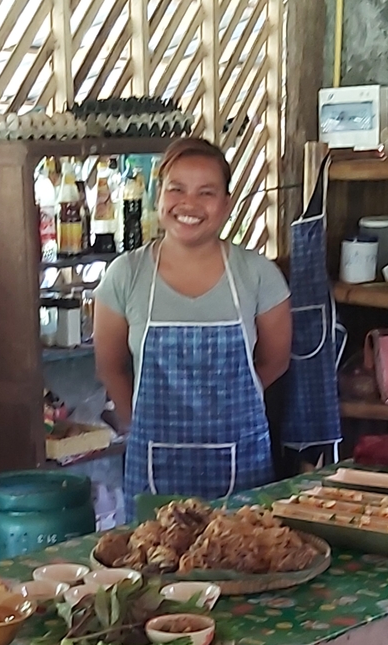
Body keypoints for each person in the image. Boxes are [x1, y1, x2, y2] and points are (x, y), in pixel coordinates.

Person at [94, 138, 292, 510]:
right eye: (177, 189)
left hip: (243, 463)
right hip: (152, 466)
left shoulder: (258, 275)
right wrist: (135, 423)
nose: (189, 204)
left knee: (243, 558)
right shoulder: (126, 275)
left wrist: (233, 410)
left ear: (227, 204)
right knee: (150, 561)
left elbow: (275, 361)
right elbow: (110, 366)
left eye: (206, 192)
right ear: (158, 196)